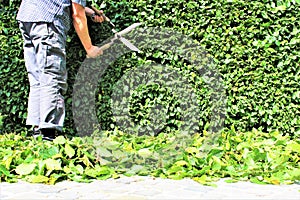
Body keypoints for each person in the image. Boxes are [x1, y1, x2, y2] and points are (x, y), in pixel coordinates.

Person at [16, 0, 105, 141]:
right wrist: (89, 48)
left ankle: (37, 131)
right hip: (48, 22)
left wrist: (89, 11)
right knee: (52, 77)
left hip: (28, 17)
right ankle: (48, 134)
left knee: (38, 77)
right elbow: (77, 15)